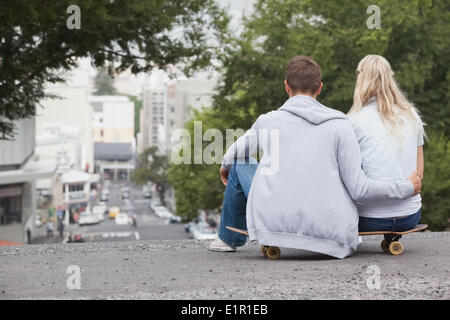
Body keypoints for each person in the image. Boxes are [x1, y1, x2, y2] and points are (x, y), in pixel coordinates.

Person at [209, 55, 422, 259]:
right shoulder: (340, 124)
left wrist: (225, 165)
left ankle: (228, 240)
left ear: (286, 86)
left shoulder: (267, 121)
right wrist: (405, 187)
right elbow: (358, 187)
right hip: (333, 233)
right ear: (319, 88)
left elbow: (238, 151)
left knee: (240, 162)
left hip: (275, 224)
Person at [348, 55, 425, 232]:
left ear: (361, 79)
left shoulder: (352, 121)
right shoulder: (412, 115)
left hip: (369, 218)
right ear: (391, 78)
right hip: (410, 216)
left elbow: (351, 179)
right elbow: (418, 175)